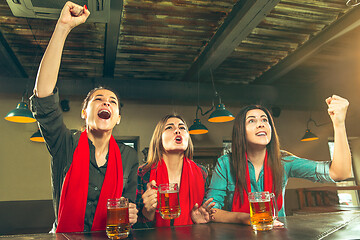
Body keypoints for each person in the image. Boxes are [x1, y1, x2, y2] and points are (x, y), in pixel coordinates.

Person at [30, 1, 139, 233]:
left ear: (117, 117)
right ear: (84, 112)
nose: (106, 102)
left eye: (112, 101)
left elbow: (130, 205)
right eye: (98, 99)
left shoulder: (129, 156)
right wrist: (62, 27)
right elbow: (44, 98)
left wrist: (133, 212)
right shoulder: (65, 143)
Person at [205, 95, 351, 225]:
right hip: (237, 235)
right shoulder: (225, 163)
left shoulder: (284, 161)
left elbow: (339, 173)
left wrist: (339, 124)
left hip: (277, 233)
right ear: (240, 131)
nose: (261, 124)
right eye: (251, 121)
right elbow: (211, 211)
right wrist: (246, 218)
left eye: (264, 120)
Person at [136, 114, 215, 227]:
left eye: (182, 128)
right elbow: (134, 225)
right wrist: (147, 213)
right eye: (169, 127)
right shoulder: (143, 172)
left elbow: (206, 218)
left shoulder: (202, 172)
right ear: (158, 138)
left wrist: (200, 222)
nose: (177, 130)